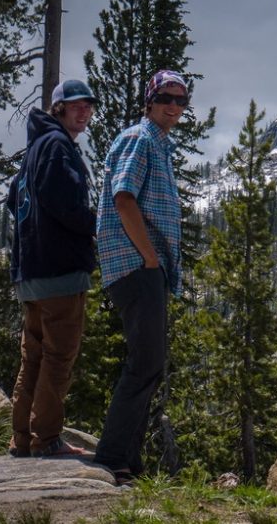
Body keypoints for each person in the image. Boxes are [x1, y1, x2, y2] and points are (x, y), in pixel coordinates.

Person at [94, 69, 188, 485]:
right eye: (166, 98)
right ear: (149, 101)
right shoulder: (139, 138)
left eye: (181, 101)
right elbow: (123, 196)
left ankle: (128, 461)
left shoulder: (158, 144)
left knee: (149, 363)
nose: (174, 106)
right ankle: (112, 457)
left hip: (145, 267)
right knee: (144, 362)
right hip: (136, 265)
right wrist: (149, 257)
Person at [7, 79, 98, 457]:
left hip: (31, 271)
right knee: (58, 358)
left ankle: (21, 439)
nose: (85, 111)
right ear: (58, 108)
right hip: (59, 271)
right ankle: (47, 440)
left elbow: (15, 199)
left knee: (34, 357)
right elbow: (66, 204)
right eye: (76, 105)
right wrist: (96, 225)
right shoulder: (59, 147)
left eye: (89, 105)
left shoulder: (35, 148)